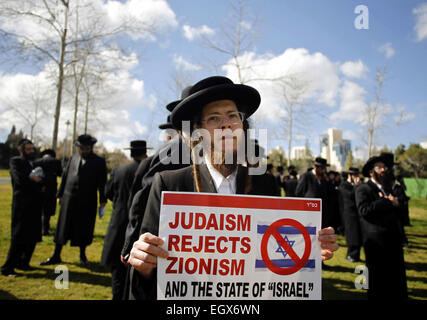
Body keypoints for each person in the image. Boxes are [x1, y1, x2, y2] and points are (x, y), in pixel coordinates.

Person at [127, 76, 339, 300]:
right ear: (199, 132)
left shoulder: (266, 185)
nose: (226, 124)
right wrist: (144, 265)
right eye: (214, 118)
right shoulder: (169, 185)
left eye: (232, 116)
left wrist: (311, 249)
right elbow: (151, 272)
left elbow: (278, 260)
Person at [40, 134, 107, 266]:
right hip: (69, 198)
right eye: (81, 148)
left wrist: (102, 200)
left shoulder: (99, 161)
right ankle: (56, 254)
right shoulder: (73, 158)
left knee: (84, 228)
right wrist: (59, 195)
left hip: (87, 200)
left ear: (91, 148)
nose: (84, 151)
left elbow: (102, 183)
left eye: (86, 148)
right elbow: (65, 177)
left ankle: (82, 255)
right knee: (63, 227)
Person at [101, 140, 149, 300]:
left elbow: (107, 192)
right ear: (145, 153)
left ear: (131, 153)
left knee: (117, 271)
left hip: (119, 221)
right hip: (140, 225)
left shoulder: (118, 170)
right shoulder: (150, 169)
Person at [355, 154, 407, 300]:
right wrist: (384, 202)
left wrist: (396, 203)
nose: (383, 170)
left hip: (393, 240)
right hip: (376, 243)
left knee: (395, 280)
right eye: (379, 167)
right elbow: (364, 211)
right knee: (377, 281)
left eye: (384, 167)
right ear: (371, 171)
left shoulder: (389, 188)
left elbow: (400, 208)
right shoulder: (363, 189)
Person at [1, 139, 44, 276]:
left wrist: (36, 181)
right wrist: (34, 181)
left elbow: (43, 180)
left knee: (32, 236)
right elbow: (20, 180)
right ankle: (8, 268)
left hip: (35, 205)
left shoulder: (36, 163)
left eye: (32, 149)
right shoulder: (16, 162)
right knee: (19, 236)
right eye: (28, 149)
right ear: (21, 150)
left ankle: (24, 263)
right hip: (21, 205)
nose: (31, 151)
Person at [295, 157, 330, 228]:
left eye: (324, 168)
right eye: (322, 168)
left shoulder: (323, 179)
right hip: (309, 212)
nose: (324, 171)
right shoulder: (306, 176)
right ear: (315, 167)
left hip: (322, 213)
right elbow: (298, 193)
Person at [34, 149, 63, 235]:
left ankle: (39, 227)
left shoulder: (37, 161)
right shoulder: (56, 162)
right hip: (52, 188)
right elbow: (60, 173)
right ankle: (45, 229)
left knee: (40, 208)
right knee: (48, 209)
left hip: (40, 187)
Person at [338, 167, 362, 262]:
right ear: (349, 175)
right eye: (354, 175)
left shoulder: (358, 185)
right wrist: (356, 187)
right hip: (349, 214)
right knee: (352, 235)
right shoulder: (344, 185)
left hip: (358, 213)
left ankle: (356, 254)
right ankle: (351, 254)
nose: (356, 177)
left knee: (358, 235)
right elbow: (350, 196)